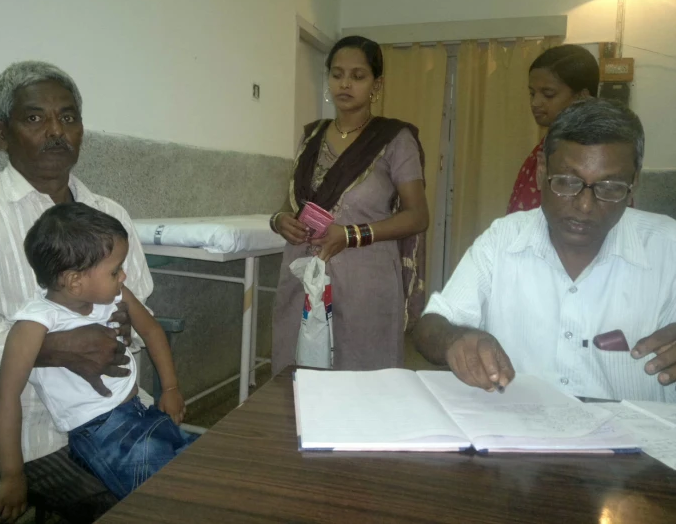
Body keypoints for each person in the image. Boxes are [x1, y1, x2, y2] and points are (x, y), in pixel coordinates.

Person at [0, 61, 153, 521]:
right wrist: (51, 349)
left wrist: (125, 324)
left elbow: (139, 301)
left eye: (68, 117)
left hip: (113, 409)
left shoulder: (107, 210)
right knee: (135, 504)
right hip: (23, 430)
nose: (57, 131)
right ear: (0, 133)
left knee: (188, 475)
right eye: (35, 118)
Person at [414, 98, 676, 403]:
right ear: (541, 173)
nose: (585, 205)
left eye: (610, 188)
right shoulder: (503, 239)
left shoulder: (667, 245)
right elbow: (431, 325)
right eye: (566, 182)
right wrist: (454, 339)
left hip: (639, 442)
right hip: (519, 436)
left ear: (634, 183)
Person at [0, 203, 195, 523]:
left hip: (142, 413)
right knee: (163, 500)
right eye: (115, 270)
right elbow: (5, 396)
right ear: (75, 281)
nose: (123, 275)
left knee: (202, 465)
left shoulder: (112, 296)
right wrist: (12, 475)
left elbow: (152, 330)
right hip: (103, 435)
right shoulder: (35, 324)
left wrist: (170, 387)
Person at [270, 36, 429, 374]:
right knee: (297, 375)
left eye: (358, 76)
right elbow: (291, 202)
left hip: (364, 278)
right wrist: (280, 218)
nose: (345, 83)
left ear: (377, 84)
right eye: (337, 74)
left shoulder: (394, 140)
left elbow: (418, 216)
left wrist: (352, 234)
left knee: (362, 376)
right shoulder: (312, 136)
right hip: (302, 270)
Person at [507, 45, 600, 214]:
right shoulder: (550, 143)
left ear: (582, 97)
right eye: (532, 93)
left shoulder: (594, 153)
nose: (535, 103)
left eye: (548, 94)